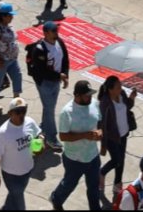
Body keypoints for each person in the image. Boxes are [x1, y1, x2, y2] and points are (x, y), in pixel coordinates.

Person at [49, 80, 103, 210]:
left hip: (93, 157)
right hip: (74, 159)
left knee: (94, 188)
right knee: (69, 185)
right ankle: (56, 198)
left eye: (90, 94)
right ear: (77, 95)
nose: (90, 97)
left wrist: (100, 132)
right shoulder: (67, 113)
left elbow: (100, 122)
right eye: (87, 95)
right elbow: (63, 136)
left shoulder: (95, 104)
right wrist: (85, 135)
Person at [25, 20, 70, 149]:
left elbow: (65, 60)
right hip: (44, 83)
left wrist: (65, 75)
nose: (57, 32)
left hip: (56, 81)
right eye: (54, 31)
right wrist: (59, 76)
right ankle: (51, 138)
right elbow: (42, 71)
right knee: (50, 109)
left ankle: (44, 127)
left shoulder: (60, 42)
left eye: (57, 30)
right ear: (46, 33)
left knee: (49, 107)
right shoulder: (40, 49)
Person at [0, 97, 40, 211]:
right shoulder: (2, 133)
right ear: (9, 113)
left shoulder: (29, 122)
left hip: (28, 170)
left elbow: (38, 134)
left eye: (24, 111)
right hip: (11, 175)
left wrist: (40, 142)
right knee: (19, 200)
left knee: (15, 194)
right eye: (18, 112)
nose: (21, 114)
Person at [98, 75, 137, 199]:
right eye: (118, 86)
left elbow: (128, 106)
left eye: (120, 85)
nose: (121, 87)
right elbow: (102, 123)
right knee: (116, 160)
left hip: (123, 134)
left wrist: (132, 97)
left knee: (121, 160)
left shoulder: (122, 94)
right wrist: (103, 141)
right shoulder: (105, 103)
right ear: (110, 89)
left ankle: (117, 184)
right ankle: (101, 172)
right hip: (112, 137)